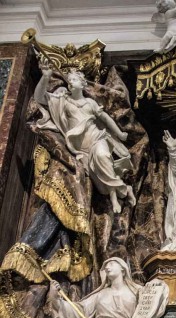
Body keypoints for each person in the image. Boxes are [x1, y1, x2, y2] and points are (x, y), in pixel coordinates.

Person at [34, 60, 136, 214]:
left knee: (103, 157)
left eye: (74, 79)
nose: (70, 81)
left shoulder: (89, 102)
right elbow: (40, 98)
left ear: (82, 84)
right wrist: (46, 77)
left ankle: (115, 199)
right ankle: (125, 188)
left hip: (96, 138)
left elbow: (106, 119)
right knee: (101, 186)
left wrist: (120, 134)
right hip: (80, 148)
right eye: (69, 80)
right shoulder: (63, 100)